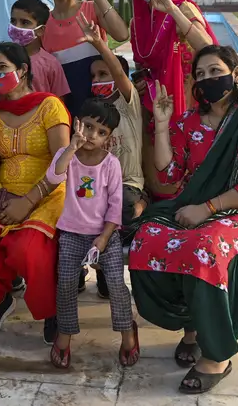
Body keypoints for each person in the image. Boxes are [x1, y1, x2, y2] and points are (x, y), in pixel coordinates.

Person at [128, 45, 238, 395]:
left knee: (204, 247)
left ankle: (217, 356)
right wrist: (164, 124)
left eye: (215, 71)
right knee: (145, 238)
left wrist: (207, 210)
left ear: (236, 74)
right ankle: (191, 325)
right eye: (200, 75)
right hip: (192, 204)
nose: (208, 80)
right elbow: (169, 174)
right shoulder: (189, 122)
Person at [0, 42, 70, 343]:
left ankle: (51, 311)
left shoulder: (49, 106)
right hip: (3, 191)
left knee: (29, 248)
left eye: (2, 68)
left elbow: (63, 163)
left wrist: (29, 201)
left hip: (48, 192)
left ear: (22, 70)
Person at [46, 99, 139, 370]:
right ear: (77, 124)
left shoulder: (110, 164)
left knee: (115, 283)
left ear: (109, 138)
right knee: (65, 284)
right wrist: (71, 147)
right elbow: (54, 177)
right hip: (71, 233)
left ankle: (127, 332)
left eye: (101, 132)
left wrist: (105, 236)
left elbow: (115, 204)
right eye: (88, 126)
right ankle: (64, 335)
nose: (92, 135)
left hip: (104, 235)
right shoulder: (67, 156)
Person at [77, 15, 147, 298]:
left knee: (122, 208)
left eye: (104, 74)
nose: (98, 80)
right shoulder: (89, 112)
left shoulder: (128, 105)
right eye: (94, 76)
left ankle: (106, 271)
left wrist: (99, 45)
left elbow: (119, 74)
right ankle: (90, 270)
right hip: (95, 184)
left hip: (128, 184)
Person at [40, 0, 130, 117]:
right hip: (62, 110)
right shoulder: (44, 23)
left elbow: (121, 34)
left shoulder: (90, 10)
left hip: (97, 110)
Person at [129, 0, 216, 119]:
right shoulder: (139, 21)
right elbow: (141, 65)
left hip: (186, 97)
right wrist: (139, 83)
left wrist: (172, 10)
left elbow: (207, 46)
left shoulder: (183, 8)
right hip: (154, 101)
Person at [9, 0, 71, 99]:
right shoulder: (2, 58)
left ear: (41, 30)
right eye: (13, 21)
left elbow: (59, 102)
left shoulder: (50, 64)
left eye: (24, 22)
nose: (17, 27)